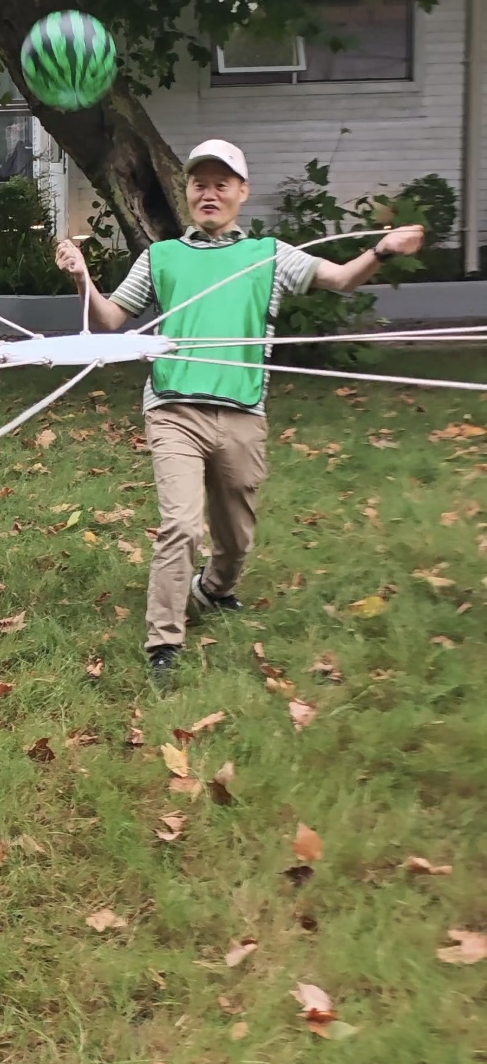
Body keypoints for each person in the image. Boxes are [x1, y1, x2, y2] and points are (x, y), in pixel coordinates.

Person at [56, 138, 424, 672]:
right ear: (187, 193)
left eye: (221, 184)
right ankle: (164, 642)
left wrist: (382, 250)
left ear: (241, 192)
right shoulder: (161, 257)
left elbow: (341, 279)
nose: (209, 193)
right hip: (174, 409)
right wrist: (81, 277)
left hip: (241, 412)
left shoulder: (268, 256)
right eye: (199, 184)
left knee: (235, 539)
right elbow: (111, 320)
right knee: (180, 524)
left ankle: (216, 587)